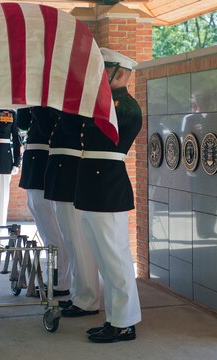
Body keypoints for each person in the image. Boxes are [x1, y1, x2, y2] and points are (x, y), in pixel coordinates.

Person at [74, 48, 142, 343]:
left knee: (115, 259)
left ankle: (125, 322)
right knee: (104, 258)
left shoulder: (125, 106)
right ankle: (115, 318)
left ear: (120, 73)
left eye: (104, 69)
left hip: (107, 185)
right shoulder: (101, 102)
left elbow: (103, 130)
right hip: (92, 185)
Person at [44, 109, 101, 316]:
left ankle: (88, 299)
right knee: (71, 240)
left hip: (70, 172)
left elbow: (71, 127)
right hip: (62, 172)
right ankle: (79, 294)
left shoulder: (73, 107)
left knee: (78, 241)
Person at [17, 106, 71, 297]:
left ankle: (61, 281)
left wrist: (37, 102)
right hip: (34, 161)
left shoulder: (49, 102)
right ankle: (58, 279)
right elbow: (21, 123)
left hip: (44, 160)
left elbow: (46, 127)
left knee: (53, 231)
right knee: (46, 228)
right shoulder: (36, 102)